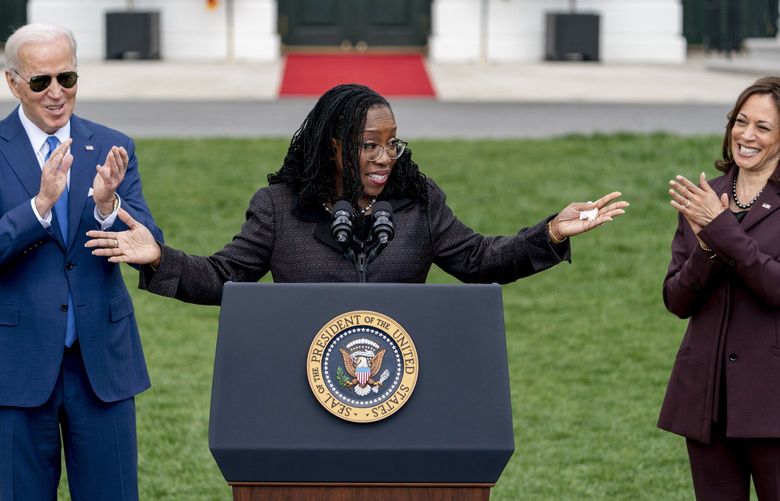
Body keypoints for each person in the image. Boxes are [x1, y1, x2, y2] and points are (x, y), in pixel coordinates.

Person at [86, 83, 627, 303]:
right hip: (305, 383)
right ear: (335, 146)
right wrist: (159, 260)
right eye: (370, 145)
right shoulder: (279, 206)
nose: (385, 158)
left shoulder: (419, 200)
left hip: (401, 381)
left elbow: (480, 260)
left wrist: (551, 232)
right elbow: (227, 277)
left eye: (392, 144)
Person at [0, 24, 162, 500]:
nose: (56, 93)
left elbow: (147, 240)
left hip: (101, 366)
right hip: (18, 365)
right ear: (13, 83)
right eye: (41, 81)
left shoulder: (112, 145)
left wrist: (108, 206)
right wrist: (39, 207)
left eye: (66, 78)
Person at [660, 76, 780, 500]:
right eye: (740, 121)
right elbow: (676, 299)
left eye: (763, 127)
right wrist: (706, 248)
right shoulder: (704, 198)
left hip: (772, 398)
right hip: (707, 399)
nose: (747, 135)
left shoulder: (713, 211)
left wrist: (722, 230)